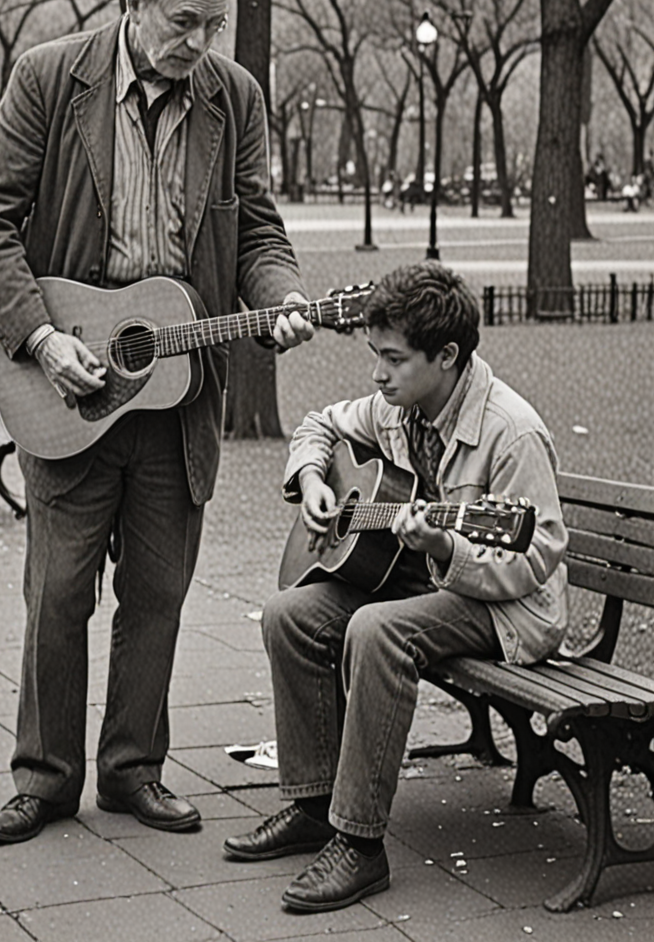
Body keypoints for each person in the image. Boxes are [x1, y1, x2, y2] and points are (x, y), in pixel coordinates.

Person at [0, 0, 314, 846]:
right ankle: (43, 778)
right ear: (134, 6)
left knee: (157, 594)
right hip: (67, 383)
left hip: (174, 398)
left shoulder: (233, 97)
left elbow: (259, 229)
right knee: (59, 594)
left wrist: (281, 296)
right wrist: (38, 337)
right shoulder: (49, 77)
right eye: (186, 22)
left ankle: (132, 772)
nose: (200, 44)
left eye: (215, 25)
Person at [224, 262, 569, 914]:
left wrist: (446, 545)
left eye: (393, 359)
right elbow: (319, 426)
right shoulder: (396, 407)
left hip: (510, 608)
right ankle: (311, 804)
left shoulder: (511, 430)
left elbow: (539, 556)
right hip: (420, 580)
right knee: (289, 614)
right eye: (375, 355)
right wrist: (315, 481)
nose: (378, 375)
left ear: (447, 356)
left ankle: (359, 844)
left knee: (377, 630)